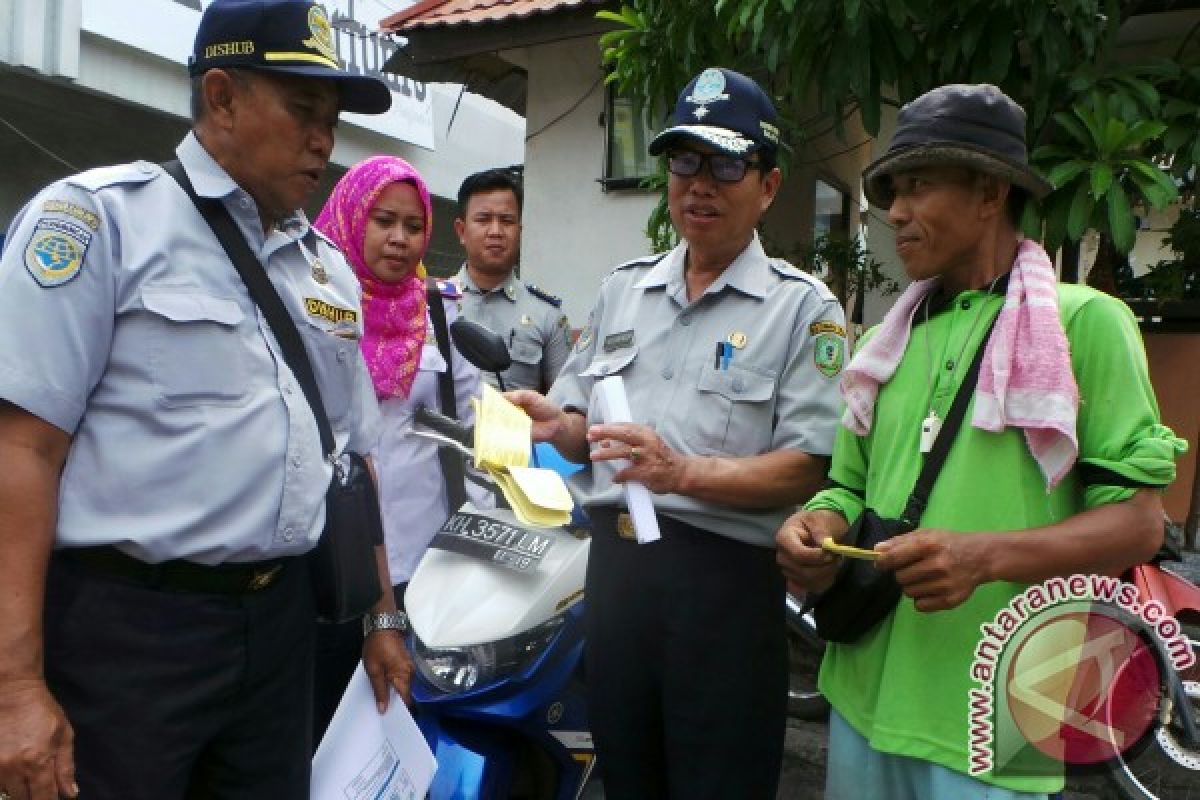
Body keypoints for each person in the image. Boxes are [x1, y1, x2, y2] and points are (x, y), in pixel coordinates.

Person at [0, 2, 415, 797]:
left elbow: (351, 459)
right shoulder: (100, 223)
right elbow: (21, 452)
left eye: (331, 120)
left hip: (279, 628)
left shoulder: (326, 271)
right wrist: (14, 686)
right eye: (302, 112)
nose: (323, 141)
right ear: (221, 97)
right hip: (130, 633)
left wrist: (382, 613)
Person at [776, 84, 1185, 800]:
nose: (896, 212)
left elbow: (1139, 524)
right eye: (893, 192)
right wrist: (817, 527)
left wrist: (984, 556)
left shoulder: (1083, 323)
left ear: (991, 192)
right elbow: (847, 486)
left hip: (1002, 717)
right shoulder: (880, 346)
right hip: (861, 694)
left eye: (920, 186)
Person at [508, 67, 846, 799]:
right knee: (628, 778)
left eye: (726, 163)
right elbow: (580, 426)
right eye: (684, 161)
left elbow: (809, 467)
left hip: (723, 588)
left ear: (769, 184)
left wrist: (680, 474)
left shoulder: (802, 310)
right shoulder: (623, 289)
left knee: (716, 783)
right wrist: (556, 423)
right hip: (619, 583)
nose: (700, 183)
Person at [309, 155, 484, 741]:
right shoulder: (312, 307)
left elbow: (473, 427)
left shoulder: (439, 310)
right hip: (326, 555)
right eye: (384, 220)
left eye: (413, 227)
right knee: (321, 720)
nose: (399, 239)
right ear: (352, 217)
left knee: (399, 721)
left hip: (418, 556)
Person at [451, 168, 571, 392]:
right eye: (483, 219)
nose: (496, 231)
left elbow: (564, 407)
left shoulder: (547, 316)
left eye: (506, 221)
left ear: (519, 231)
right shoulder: (430, 304)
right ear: (461, 231)